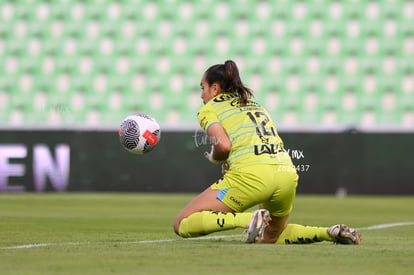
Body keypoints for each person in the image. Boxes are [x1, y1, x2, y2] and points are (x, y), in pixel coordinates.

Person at [173, 60, 361, 244]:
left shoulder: (209, 109)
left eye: (202, 88)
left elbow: (223, 146)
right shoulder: (255, 105)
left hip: (252, 176)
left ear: (214, 88)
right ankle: (329, 233)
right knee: (272, 235)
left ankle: (247, 220)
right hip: (285, 173)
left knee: (181, 223)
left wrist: (215, 158)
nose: (201, 95)